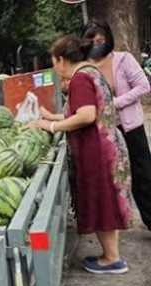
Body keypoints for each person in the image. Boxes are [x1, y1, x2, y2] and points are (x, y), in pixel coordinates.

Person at [32, 35, 133, 274]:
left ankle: (112, 259)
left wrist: (52, 127)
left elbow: (86, 115)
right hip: (105, 148)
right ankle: (111, 254)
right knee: (106, 202)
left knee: (102, 203)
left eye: (53, 62)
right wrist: (50, 117)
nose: (54, 68)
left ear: (61, 60)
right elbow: (79, 111)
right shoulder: (91, 71)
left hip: (97, 153)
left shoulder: (80, 79)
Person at [82, 20, 151, 231]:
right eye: (91, 40)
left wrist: (114, 104)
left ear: (108, 39)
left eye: (100, 39)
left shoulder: (123, 59)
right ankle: (119, 224)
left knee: (143, 176)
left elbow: (144, 86)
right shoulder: (85, 67)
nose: (96, 43)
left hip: (130, 128)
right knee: (113, 181)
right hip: (105, 133)